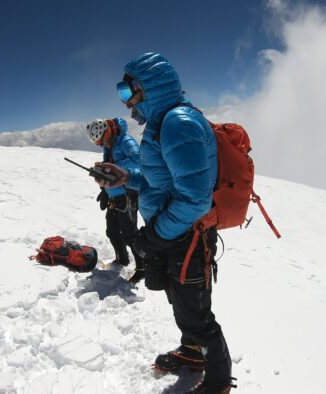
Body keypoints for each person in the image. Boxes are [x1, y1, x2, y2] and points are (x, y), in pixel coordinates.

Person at [95, 53, 234, 393]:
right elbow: (162, 182)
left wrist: (154, 236)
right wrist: (126, 176)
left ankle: (217, 382)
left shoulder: (178, 124)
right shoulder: (162, 125)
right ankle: (191, 355)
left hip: (188, 235)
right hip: (175, 233)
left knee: (197, 315)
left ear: (148, 88)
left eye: (128, 93)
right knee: (181, 303)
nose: (126, 104)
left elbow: (194, 200)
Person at [85, 117, 145, 283]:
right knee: (112, 232)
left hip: (127, 194)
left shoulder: (126, 141)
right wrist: (104, 190)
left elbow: (138, 163)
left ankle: (142, 267)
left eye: (100, 140)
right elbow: (109, 168)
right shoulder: (108, 146)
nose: (99, 144)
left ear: (107, 132)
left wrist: (116, 167)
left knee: (129, 234)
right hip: (113, 196)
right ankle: (122, 258)